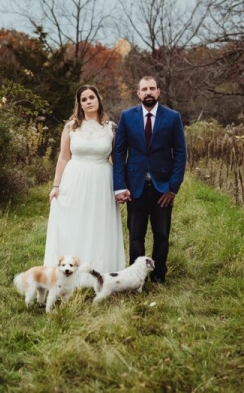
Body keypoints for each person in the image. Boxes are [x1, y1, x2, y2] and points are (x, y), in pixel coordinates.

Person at [43, 85, 126, 283]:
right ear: (79, 104)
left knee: (99, 225)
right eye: (84, 99)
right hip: (75, 179)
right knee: (74, 223)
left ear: (98, 99)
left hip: (102, 180)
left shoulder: (111, 128)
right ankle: (69, 275)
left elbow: (117, 160)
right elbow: (63, 158)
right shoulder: (71, 126)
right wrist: (56, 186)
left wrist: (120, 187)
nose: (88, 102)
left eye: (91, 97)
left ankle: (100, 274)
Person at [113, 76, 187, 284]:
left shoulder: (172, 117)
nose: (148, 92)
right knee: (136, 235)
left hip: (162, 188)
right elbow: (119, 153)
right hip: (135, 186)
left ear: (158, 92)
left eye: (152, 88)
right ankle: (137, 278)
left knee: (161, 235)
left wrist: (173, 188)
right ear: (138, 93)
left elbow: (180, 153)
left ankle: (158, 276)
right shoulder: (127, 117)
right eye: (144, 89)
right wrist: (120, 186)